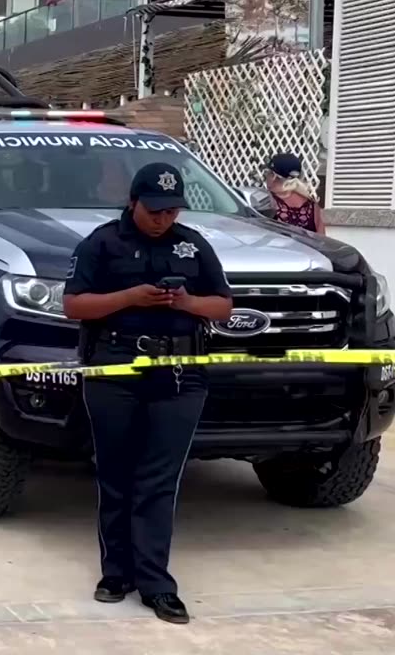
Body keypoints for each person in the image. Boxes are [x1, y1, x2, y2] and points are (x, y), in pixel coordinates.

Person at [63, 162, 233, 625]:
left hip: (180, 375)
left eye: (172, 210)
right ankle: (116, 573)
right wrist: (129, 297)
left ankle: (156, 584)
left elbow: (223, 304)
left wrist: (186, 302)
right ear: (133, 202)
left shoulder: (192, 244)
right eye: (155, 210)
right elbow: (73, 304)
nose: (163, 218)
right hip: (114, 367)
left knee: (159, 481)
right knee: (115, 474)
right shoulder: (102, 242)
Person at [263, 152, 325, 234]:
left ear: (273, 176)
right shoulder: (312, 205)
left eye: (267, 172)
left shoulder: (267, 201)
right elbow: (322, 239)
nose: (265, 176)